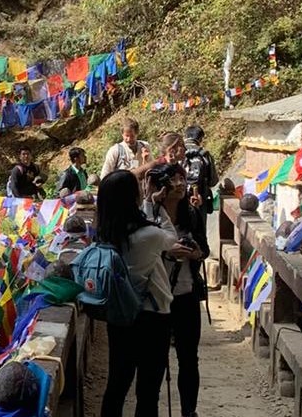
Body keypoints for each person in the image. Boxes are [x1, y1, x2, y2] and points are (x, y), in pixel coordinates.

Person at [96, 169, 187, 417]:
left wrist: (148, 203)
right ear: (131, 198)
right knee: (148, 391)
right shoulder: (150, 235)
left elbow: (139, 227)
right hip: (153, 317)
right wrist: (154, 205)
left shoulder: (105, 234)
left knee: (116, 385)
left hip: (120, 316)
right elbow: (171, 238)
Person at [142, 163, 208, 417]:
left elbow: (204, 250)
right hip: (157, 297)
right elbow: (141, 249)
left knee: (189, 359)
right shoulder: (150, 215)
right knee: (155, 362)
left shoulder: (191, 214)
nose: (180, 184)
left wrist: (193, 253)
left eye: (183, 178)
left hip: (186, 293)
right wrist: (167, 252)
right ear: (162, 186)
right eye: (174, 179)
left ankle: (189, 412)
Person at [183, 125, 218, 215]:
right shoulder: (204, 154)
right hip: (200, 199)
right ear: (200, 138)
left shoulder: (177, 152)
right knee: (199, 226)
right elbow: (213, 181)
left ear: (185, 136)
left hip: (180, 198)